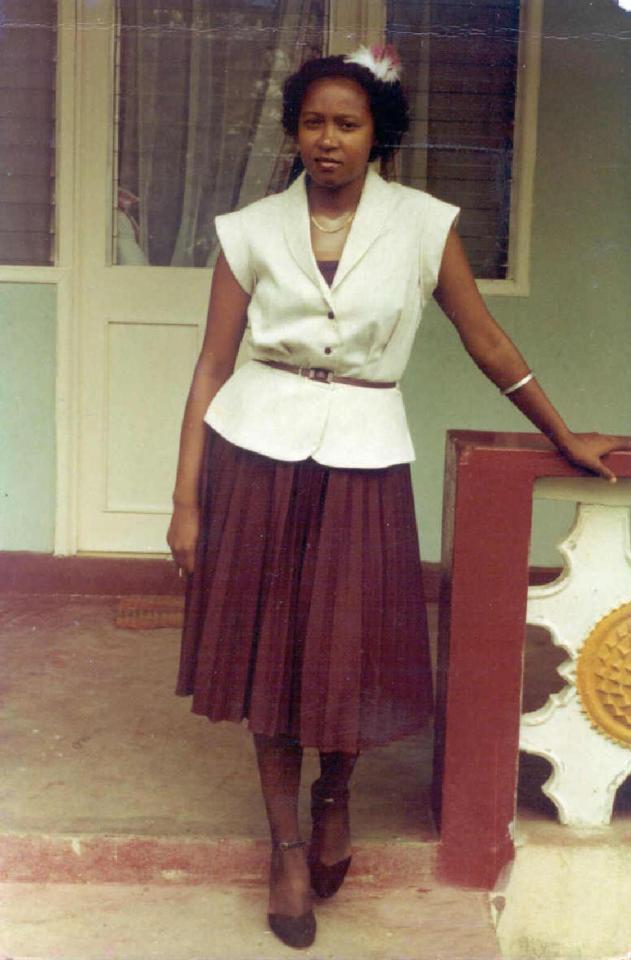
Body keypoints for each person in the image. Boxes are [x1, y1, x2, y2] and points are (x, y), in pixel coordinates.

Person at [167, 46, 627, 950]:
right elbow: (212, 367)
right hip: (254, 458)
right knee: (271, 658)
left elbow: (485, 341)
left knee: (344, 649)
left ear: (378, 135)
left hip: (364, 461)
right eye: (312, 124)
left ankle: (336, 794)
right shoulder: (250, 228)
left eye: (346, 124)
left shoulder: (421, 225)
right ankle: (286, 846)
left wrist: (562, 432)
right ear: (293, 134)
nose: (327, 141)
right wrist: (186, 500)